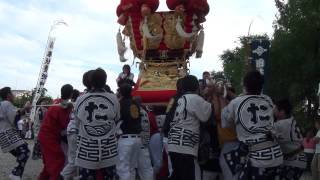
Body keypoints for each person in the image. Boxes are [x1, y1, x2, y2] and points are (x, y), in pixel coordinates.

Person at [221, 71, 283, 180]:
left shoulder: (236, 103)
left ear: (244, 85)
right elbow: (248, 100)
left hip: (258, 159)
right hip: (276, 154)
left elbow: (225, 122)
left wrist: (222, 96)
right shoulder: (267, 99)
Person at [74, 68, 120, 180]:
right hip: (109, 147)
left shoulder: (80, 100)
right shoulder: (114, 99)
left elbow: (77, 123)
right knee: (110, 177)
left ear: (91, 82)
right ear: (105, 81)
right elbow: (117, 118)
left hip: (87, 148)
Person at [168, 75, 212, 180]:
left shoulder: (181, 98)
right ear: (197, 87)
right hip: (185, 145)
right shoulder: (195, 98)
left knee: (177, 175)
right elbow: (205, 115)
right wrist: (209, 96)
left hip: (174, 143)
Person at [38, 84, 74, 180]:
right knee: (57, 161)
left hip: (45, 136)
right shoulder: (60, 107)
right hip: (49, 137)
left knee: (49, 164)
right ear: (71, 94)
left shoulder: (57, 103)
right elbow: (65, 125)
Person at [0, 87, 31, 180]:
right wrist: (25, 108)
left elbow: (15, 115)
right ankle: (15, 174)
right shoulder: (6, 103)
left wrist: (24, 110)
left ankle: (16, 174)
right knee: (25, 151)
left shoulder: (3, 104)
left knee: (22, 152)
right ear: (8, 95)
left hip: (4, 134)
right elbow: (14, 117)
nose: (13, 95)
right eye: (12, 93)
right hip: (7, 133)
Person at [273, 99, 306, 180]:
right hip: (298, 158)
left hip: (293, 161)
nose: (273, 110)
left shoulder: (280, 125)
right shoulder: (291, 119)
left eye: (275, 108)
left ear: (282, 112)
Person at [116, 83, 142, 180]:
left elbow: (117, 120)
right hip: (137, 138)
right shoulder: (135, 103)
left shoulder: (120, 104)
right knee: (131, 168)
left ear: (121, 92)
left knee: (123, 169)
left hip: (125, 139)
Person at [133, 96, 158, 180]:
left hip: (139, 142)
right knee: (146, 169)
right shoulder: (144, 112)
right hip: (144, 143)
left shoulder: (138, 111)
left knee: (142, 169)